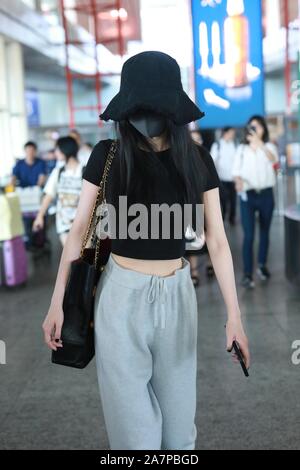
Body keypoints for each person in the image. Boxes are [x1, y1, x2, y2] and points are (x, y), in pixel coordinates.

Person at [42, 51, 250, 450]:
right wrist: (58, 303)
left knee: (179, 435)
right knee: (135, 437)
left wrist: (235, 317)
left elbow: (219, 242)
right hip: (121, 296)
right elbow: (78, 231)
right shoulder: (108, 155)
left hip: (177, 295)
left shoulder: (197, 161)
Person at [232, 115, 279, 289]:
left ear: (263, 129)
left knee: (265, 231)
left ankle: (262, 265)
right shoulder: (242, 149)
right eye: (252, 126)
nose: (255, 129)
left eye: (258, 126)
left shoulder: (269, 146)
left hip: (266, 194)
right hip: (248, 196)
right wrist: (238, 182)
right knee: (249, 235)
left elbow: (274, 161)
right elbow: (235, 171)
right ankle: (247, 273)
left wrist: (259, 144)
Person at [33, 136, 83, 247]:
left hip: (82, 223)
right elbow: (49, 194)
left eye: (57, 149)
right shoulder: (58, 172)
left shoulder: (84, 170)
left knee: (83, 259)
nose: (55, 152)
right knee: (70, 257)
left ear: (65, 150)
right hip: (63, 223)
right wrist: (40, 216)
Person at [11, 141, 47, 249]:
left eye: (32, 150)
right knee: (26, 220)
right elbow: (13, 177)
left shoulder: (40, 163)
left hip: (36, 195)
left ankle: (40, 240)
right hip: (24, 197)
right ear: (25, 151)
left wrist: (37, 188)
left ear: (35, 151)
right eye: (28, 151)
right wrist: (11, 186)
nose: (30, 153)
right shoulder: (19, 164)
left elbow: (42, 177)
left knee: (40, 217)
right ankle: (28, 240)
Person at [211, 127, 237, 225]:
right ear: (225, 133)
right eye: (231, 133)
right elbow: (213, 160)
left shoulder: (234, 144)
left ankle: (232, 218)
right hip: (221, 178)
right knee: (224, 200)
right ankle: (222, 219)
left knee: (233, 200)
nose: (233, 135)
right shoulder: (217, 145)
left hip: (232, 178)